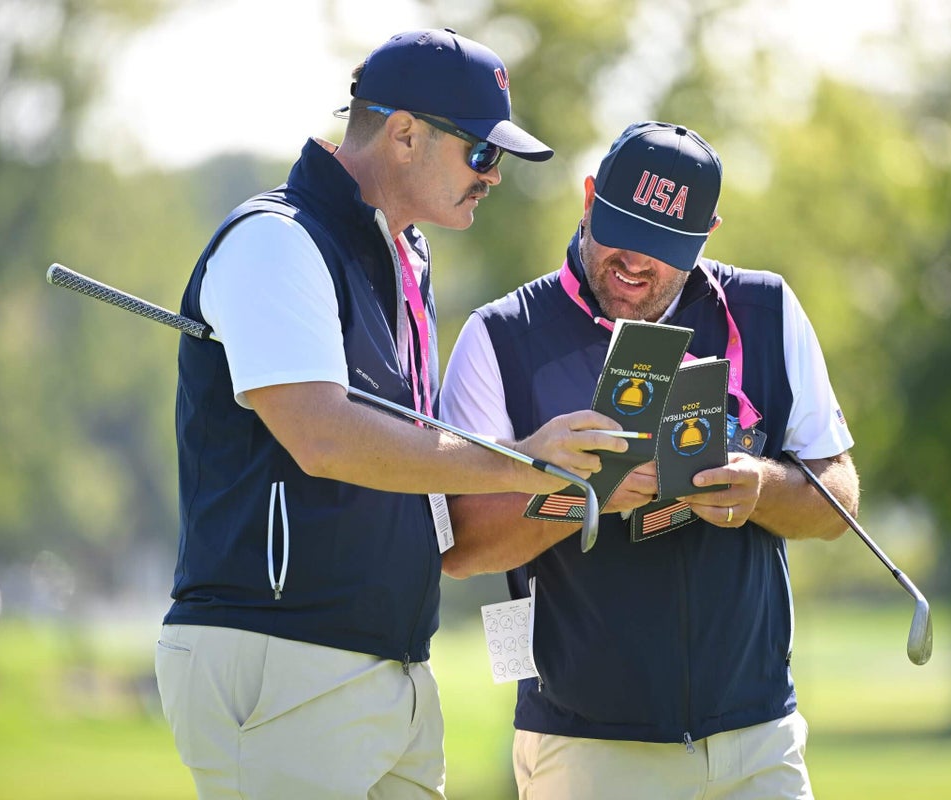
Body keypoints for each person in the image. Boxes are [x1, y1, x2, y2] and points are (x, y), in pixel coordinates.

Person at [154, 29, 627, 800]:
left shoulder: (404, 256)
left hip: (394, 665)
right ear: (404, 133)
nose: (494, 177)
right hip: (281, 657)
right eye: (482, 153)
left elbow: (413, 456)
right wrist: (521, 459)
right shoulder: (277, 241)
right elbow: (322, 436)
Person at [440, 121, 861, 799]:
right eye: (620, 231)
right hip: (585, 747)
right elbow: (461, 545)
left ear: (708, 233)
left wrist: (761, 489)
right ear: (588, 198)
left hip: (758, 734)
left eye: (663, 248)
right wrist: (586, 495)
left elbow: (838, 497)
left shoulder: (767, 308)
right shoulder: (501, 335)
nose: (634, 262)